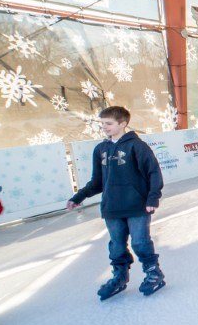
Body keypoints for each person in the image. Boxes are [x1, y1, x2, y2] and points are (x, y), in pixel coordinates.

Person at [66, 106, 165, 300]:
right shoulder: (101, 149)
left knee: (140, 242)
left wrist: (153, 197)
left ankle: (154, 273)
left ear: (123, 123)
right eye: (102, 123)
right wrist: (78, 197)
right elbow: (97, 182)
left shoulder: (137, 146)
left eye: (109, 123)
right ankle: (119, 276)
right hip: (112, 207)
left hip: (137, 206)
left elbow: (153, 172)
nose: (104, 127)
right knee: (117, 246)